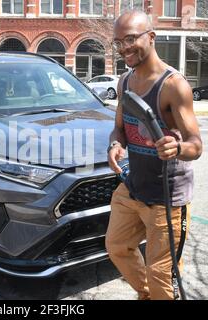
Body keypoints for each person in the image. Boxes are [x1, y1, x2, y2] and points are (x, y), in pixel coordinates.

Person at [106, 10, 202, 300]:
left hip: (167, 199)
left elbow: (196, 145)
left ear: (151, 37)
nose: (124, 47)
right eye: (118, 42)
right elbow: (119, 129)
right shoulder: (124, 82)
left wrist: (177, 148)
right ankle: (147, 295)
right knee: (117, 246)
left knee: (163, 278)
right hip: (133, 187)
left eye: (131, 39)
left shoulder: (173, 85)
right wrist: (115, 145)